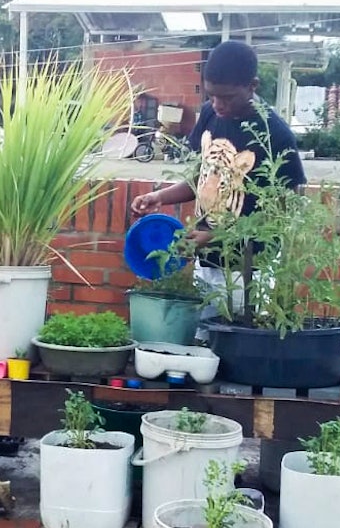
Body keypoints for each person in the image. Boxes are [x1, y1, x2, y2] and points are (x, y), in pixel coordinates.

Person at [130, 40, 306, 330]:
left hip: (249, 273)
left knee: (239, 354)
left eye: (227, 97)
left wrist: (213, 236)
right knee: (201, 348)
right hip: (207, 266)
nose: (218, 105)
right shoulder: (211, 115)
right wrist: (160, 196)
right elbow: (202, 176)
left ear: (253, 85)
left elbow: (280, 214)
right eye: (211, 96)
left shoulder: (276, 135)